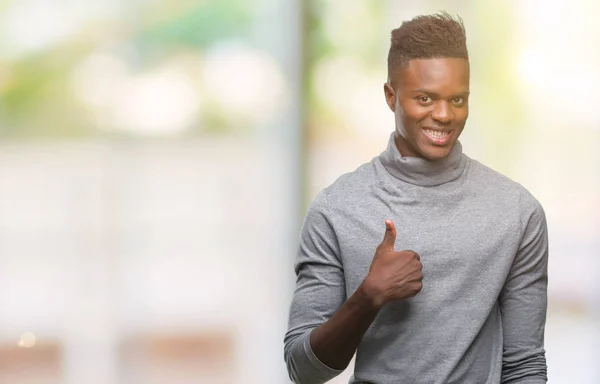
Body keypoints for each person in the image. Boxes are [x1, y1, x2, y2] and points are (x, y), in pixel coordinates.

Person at [283, 12, 548, 384]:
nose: (443, 115)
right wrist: (368, 297)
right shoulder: (337, 209)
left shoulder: (517, 212)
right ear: (391, 96)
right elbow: (302, 369)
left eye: (457, 99)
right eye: (425, 98)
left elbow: (525, 366)